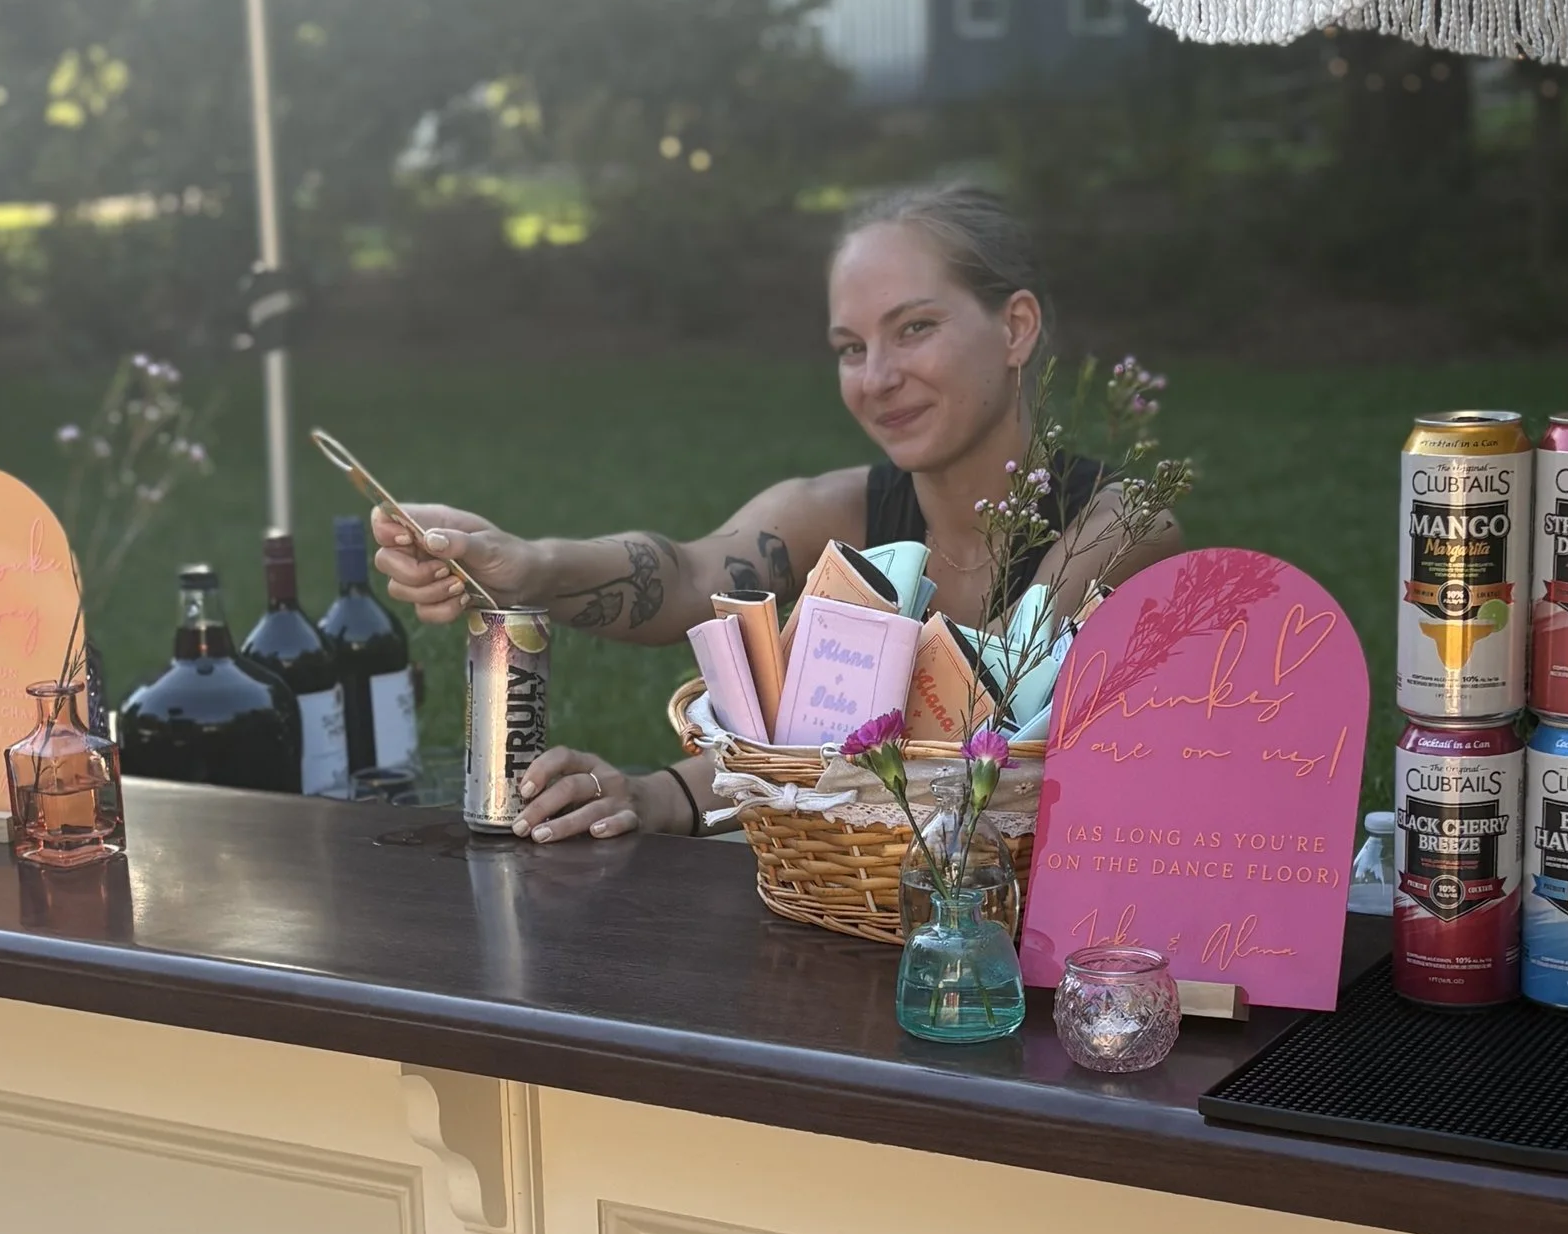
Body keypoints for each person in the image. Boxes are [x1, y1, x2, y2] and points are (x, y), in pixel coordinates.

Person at [373, 182, 1183, 840]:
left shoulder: (1119, 527)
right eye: (851, 347)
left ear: (1015, 328)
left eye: (914, 328)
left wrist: (681, 789)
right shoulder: (843, 512)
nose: (877, 377)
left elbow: (955, 734)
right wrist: (530, 566)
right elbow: (688, 575)